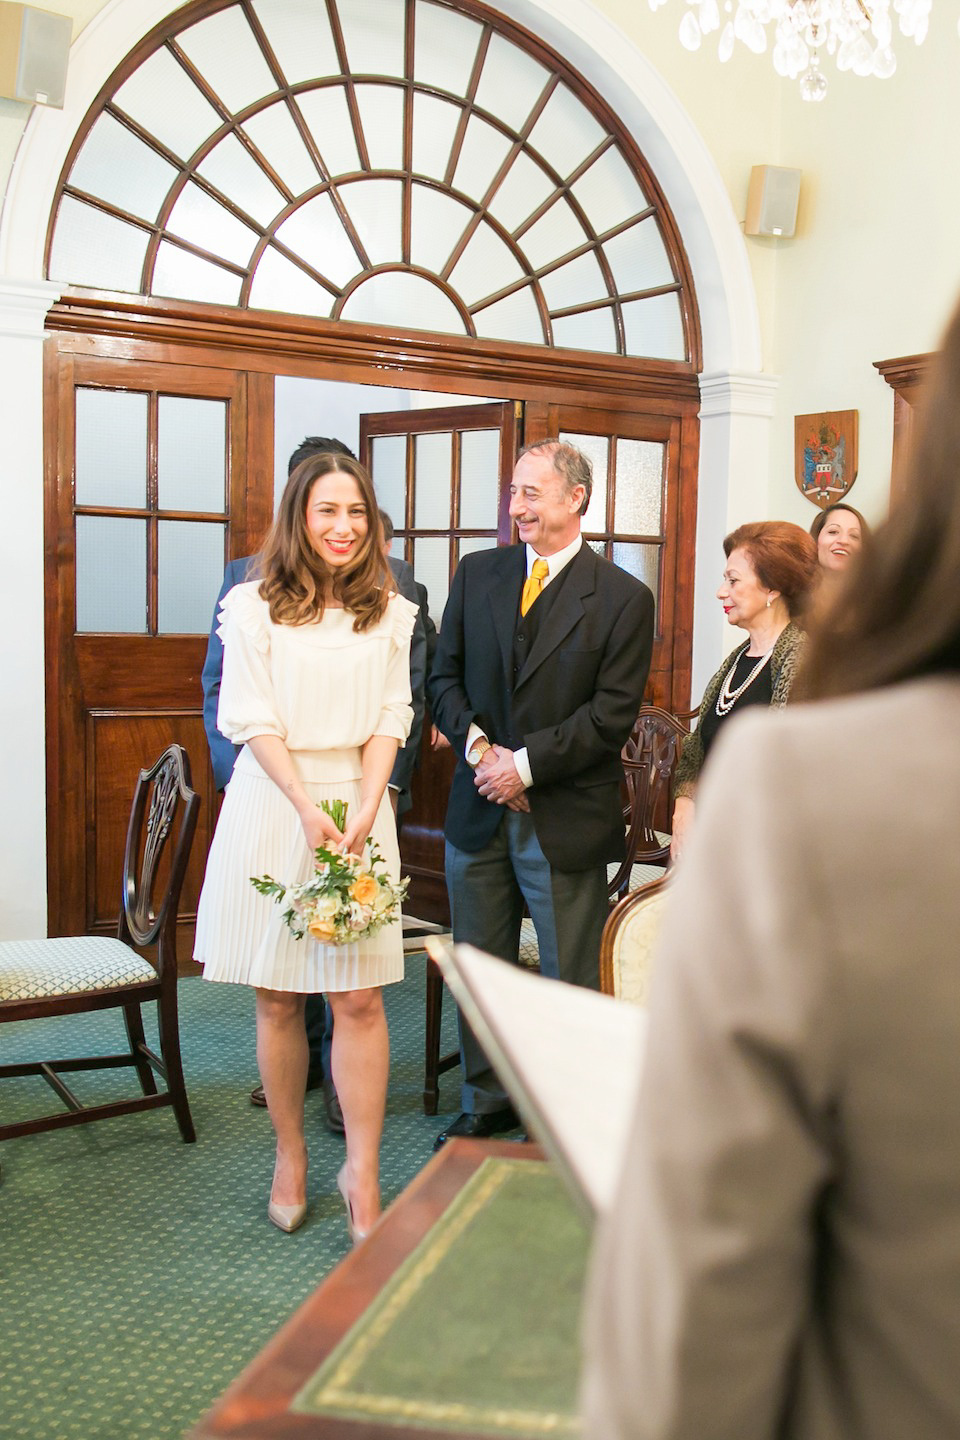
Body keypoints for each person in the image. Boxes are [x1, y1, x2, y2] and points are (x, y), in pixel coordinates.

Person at [580, 298, 960, 1440]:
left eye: (739, 574)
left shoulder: (831, 791)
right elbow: (697, 741)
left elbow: (703, 1284)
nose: (726, 590)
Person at [194, 453, 417, 1240]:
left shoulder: (391, 610)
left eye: (356, 513)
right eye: (327, 512)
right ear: (299, 517)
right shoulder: (252, 606)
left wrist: (365, 804)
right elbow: (249, 717)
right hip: (274, 801)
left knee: (358, 997)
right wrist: (303, 805)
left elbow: (394, 715)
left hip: (358, 806)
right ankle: (290, 1153)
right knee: (279, 995)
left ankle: (362, 1166)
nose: (343, 528)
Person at [428, 438, 654, 1147]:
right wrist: (481, 754)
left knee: (566, 980)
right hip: (478, 810)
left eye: (531, 493)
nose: (515, 506)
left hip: (562, 815)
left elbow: (609, 716)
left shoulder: (623, 598)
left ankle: (562, 1115)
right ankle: (486, 1102)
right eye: (515, 492)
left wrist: (522, 769)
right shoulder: (478, 574)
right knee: (482, 969)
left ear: (575, 499)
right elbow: (442, 680)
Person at [669, 521, 817, 862]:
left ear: (772, 589)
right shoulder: (737, 659)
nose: (721, 591)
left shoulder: (802, 657)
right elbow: (695, 752)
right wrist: (684, 810)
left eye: (733, 580)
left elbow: (787, 772)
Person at [809, 499, 869, 572]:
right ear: (816, 537)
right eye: (833, 532)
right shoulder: (794, 582)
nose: (843, 541)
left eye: (854, 536)